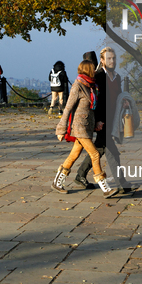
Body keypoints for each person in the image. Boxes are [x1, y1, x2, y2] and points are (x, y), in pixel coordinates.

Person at [74, 47, 136, 193]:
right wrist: (96, 121)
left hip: (112, 118)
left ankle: (80, 175)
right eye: (109, 58)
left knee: (100, 148)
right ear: (102, 61)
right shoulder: (99, 76)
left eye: (114, 58)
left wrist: (124, 102)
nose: (112, 61)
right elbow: (94, 101)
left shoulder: (117, 77)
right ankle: (122, 184)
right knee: (112, 151)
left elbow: (118, 95)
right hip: (101, 120)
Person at [53, 60, 117, 198]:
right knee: (94, 154)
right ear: (87, 69)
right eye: (92, 69)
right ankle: (104, 187)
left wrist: (96, 123)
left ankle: (57, 182)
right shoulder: (78, 86)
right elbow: (68, 108)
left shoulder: (91, 86)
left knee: (74, 155)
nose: (94, 71)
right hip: (79, 127)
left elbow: (90, 109)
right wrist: (61, 129)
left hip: (87, 127)